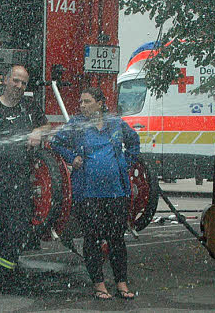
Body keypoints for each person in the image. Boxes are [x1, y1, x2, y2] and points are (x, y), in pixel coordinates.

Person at [0, 65, 51, 299]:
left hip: (20, 180)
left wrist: (38, 132)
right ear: (5, 81)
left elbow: (46, 126)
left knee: (17, 230)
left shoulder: (30, 108)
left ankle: (4, 277)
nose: (19, 86)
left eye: (23, 83)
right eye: (15, 81)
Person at [51, 87, 140, 300]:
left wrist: (125, 164)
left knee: (117, 239)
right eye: (81, 102)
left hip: (117, 193)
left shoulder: (115, 123)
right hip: (88, 194)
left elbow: (134, 141)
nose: (82, 106)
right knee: (91, 239)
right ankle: (99, 284)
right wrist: (72, 158)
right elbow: (56, 143)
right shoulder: (76, 125)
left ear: (100, 103)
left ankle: (121, 282)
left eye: (87, 101)